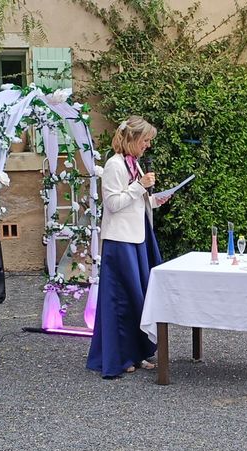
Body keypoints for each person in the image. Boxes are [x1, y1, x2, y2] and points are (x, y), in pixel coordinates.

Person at [86, 116, 170, 379]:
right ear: (132, 139)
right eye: (145, 140)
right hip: (120, 241)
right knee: (122, 299)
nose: (147, 145)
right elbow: (112, 204)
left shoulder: (132, 163)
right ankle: (118, 356)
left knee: (139, 296)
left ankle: (137, 351)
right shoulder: (114, 165)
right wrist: (140, 186)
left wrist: (155, 200)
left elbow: (134, 201)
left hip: (138, 236)